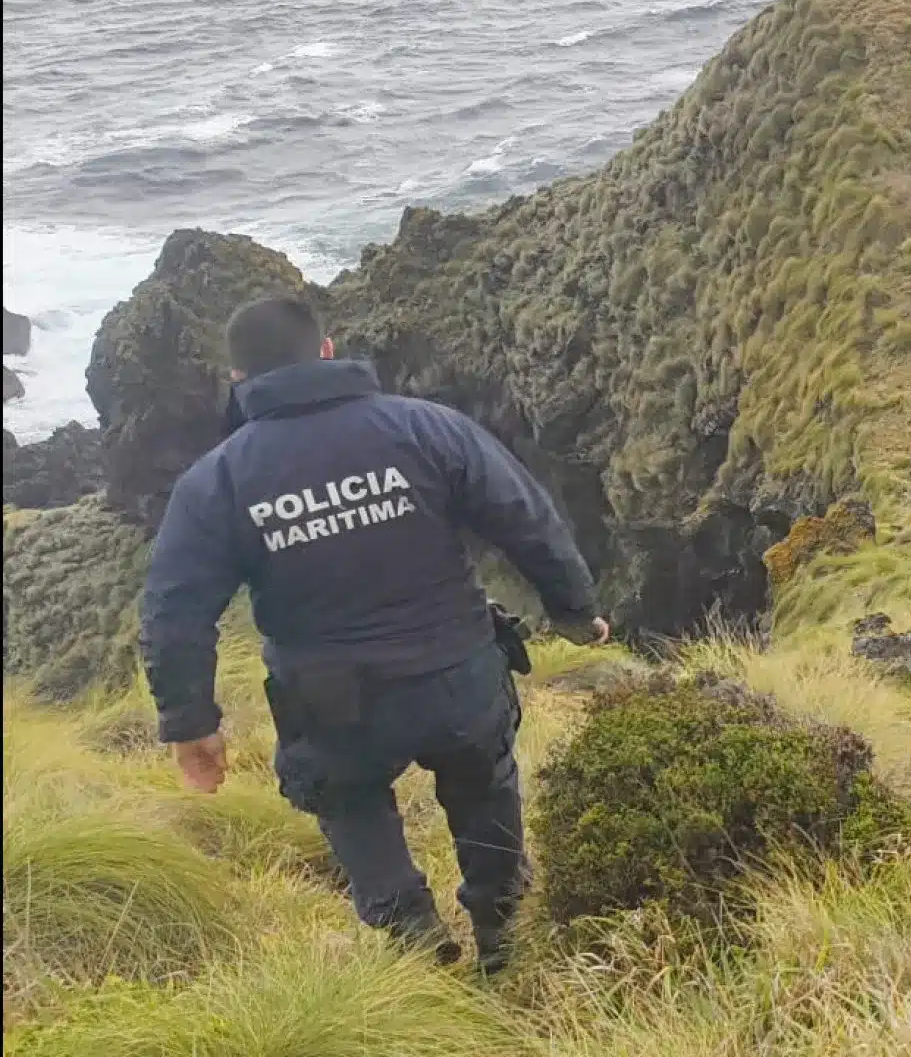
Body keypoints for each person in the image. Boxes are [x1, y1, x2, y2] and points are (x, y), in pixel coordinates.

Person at [140, 297, 609, 975]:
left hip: (333, 706)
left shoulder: (218, 480)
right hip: (459, 675)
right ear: (327, 351)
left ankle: (414, 937)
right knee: (485, 787)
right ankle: (502, 932)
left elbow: (175, 609)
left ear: (239, 380)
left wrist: (192, 722)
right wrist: (574, 609)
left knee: (349, 800)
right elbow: (524, 516)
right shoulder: (427, 428)